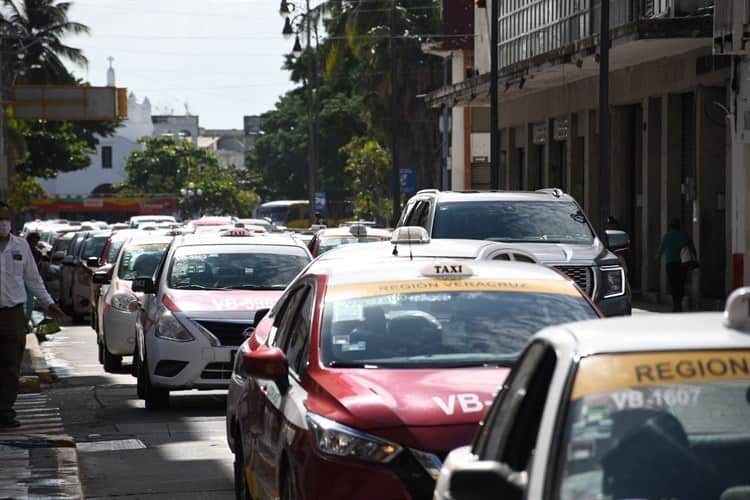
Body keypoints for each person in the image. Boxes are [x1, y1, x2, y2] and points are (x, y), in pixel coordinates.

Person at [0, 202, 66, 428]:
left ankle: (5, 411)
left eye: (5, 218)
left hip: (13, 315)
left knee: (11, 365)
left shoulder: (20, 247)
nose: (3, 223)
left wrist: (49, 304)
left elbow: (33, 279)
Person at [657, 218, 695, 312]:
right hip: (683, 264)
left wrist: (657, 259)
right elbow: (692, 248)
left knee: (673, 284)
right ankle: (679, 303)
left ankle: (675, 304)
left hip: (671, 264)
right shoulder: (684, 235)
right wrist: (694, 259)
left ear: (670, 227)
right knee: (681, 283)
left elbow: (660, 250)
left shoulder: (667, 236)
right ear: (679, 226)